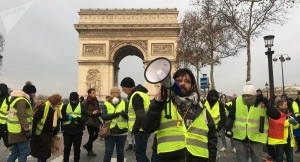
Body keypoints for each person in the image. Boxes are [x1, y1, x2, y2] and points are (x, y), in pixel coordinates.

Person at [143, 68, 218, 162]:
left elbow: (212, 139)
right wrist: (157, 103)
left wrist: (211, 159)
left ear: (192, 86)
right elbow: (147, 127)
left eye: (187, 81)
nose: (182, 83)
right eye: (178, 80)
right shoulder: (162, 104)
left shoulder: (202, 109)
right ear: (171, 83)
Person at [225, 81, 280, 162]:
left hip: (256, 138)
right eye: (244, 96)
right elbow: (231, 116)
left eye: (249, 96)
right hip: (240, 137)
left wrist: (267, 102)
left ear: (254, 95)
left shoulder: (262, 102)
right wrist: (228, 127)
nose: (246, 98)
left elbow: (276, 115)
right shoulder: (237, 101)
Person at [120, 77, 151, 162]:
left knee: (140, 156)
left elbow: (140, 115)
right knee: (142, 154)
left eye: (123, 87)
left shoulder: (136, 96)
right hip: (144, 128)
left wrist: (135, 129)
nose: (122, 90)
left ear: (129, 86)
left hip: (140, 130)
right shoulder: (142, 94)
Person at [7, 84, 35, 162]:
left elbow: (10, 115)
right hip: (20, 131)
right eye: (33, 93)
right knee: (24, 152)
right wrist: (26, 129)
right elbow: (22, 116)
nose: (34, 95)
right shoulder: (22, 100)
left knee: (15, 152)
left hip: (13, 130)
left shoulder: (14, 100)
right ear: (29, 93)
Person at [30, 94, 62, 162]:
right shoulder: (43, 107)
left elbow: (57, 121)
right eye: (58, 101)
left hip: (48, 133)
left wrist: (54, 132)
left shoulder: (56, 110)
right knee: (42, 153)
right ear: (54, 101)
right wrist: (33, 133)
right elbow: (35, 119)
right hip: (40, 133)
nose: (60, 103)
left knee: (45, 153)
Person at [102, 87, 129, 162]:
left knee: (120, 152)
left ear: (119, 93)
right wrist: (114, 115)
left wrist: (123, 114)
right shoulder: (106, 103)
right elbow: (103, 116)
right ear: (110, 94)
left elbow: (129, 115)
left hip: (122, 131)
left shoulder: (125, 102)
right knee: (108, 152)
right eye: (112, 93)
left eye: (116, 92)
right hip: (109, 132)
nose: (114, 94)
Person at [61, 92, 88, 162]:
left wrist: (79, 120)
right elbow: (61, 117)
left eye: (75, 100)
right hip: (67, 130)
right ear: (70, 99)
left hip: (78, 130)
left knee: (77, 149)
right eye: (72, 100)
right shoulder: (65, 106)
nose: (73, 102)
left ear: (77, 99)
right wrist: (66, 117)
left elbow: (86, 117)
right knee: (66, 148)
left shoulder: (82, 106)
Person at [82, 88, 100, 157]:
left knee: (98, 133)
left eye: (95, 92)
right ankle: (90, 151)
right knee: (91, 135)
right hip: (89, 120)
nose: (94, 94)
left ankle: (87, 145)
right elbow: (84, 111)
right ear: (89, 94)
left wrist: (97, 111)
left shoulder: (96, 101)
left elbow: (98, 108)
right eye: (93, 93)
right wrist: (92, 112)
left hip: (95, 120)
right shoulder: (86, 101)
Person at [0, 83, 11, 149]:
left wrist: (10, 120)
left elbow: (11, 110)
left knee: (8, 143)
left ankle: (12, 155)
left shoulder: (8, 98)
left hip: (5, 125)